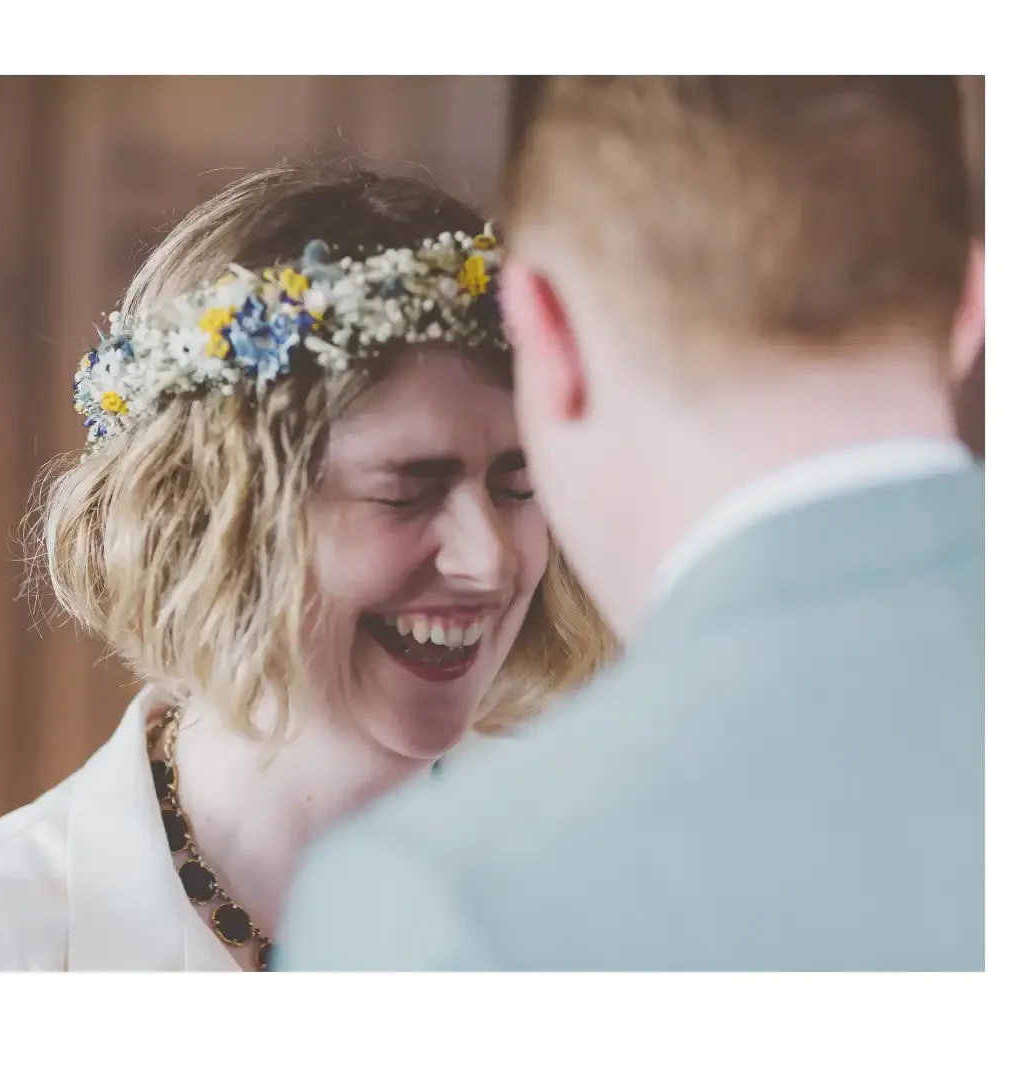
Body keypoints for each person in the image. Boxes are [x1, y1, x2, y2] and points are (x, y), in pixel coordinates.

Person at [277, 76, 985, 971]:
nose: (484, 557)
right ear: (972, 306)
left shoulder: (454, 899)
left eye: (512, 482)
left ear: (545, 334)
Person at [0, 164, 611, 971]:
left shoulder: (601, 879)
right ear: (216, 513)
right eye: (405, 492)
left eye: (518, 485)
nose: (488, 559)